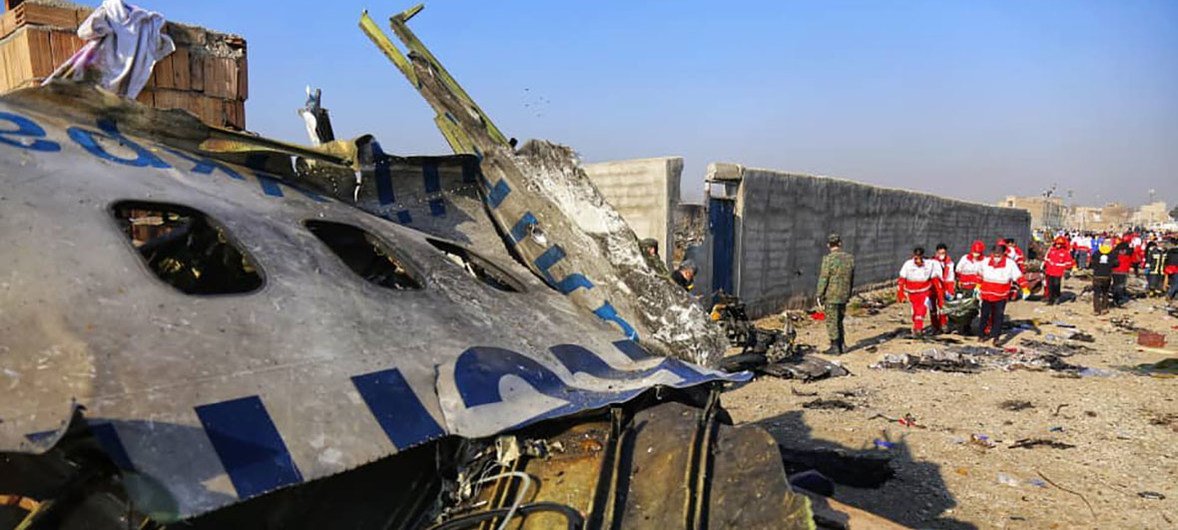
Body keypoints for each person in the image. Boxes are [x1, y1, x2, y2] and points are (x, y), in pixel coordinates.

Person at [978, 244, 1027, 344]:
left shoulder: (1010, 264)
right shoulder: (985, 262)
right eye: (994, 255)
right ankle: (981, 335)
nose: (996, 257)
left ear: (1003, 254)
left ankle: (996, 337)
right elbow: (980, 274)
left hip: (1001, 295)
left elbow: (1018, 276)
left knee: (998, 316)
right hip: (986, 294)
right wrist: (977, 286)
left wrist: (1025, 288)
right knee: (984, 315)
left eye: (998, 255)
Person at [815, 233, 855, 354]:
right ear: (840, 243)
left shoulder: (828, 259)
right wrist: (849, 292)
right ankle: (842, 344)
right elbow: (851, 277)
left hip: (831, 295)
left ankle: (834, 346)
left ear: (828, 245)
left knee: (832, 320)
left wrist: (819, 294)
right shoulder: (849, 258)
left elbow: (824, 278)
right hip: (844, 294)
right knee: (840, 320)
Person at [898, 247, 941, 337]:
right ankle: (916, 325)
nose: (918, 260)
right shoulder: (908, 264)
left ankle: (918, 328)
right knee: (915, 310)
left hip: (925, 290)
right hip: (912, 291)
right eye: (916, 258)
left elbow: (934, 279)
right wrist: (900, 292)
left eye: (919, 257)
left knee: (922, 309)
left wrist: (939, 293)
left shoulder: (929, 264)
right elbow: (902, 278)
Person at [1042, 235, 1075, 305]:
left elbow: (1069, 262)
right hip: (1050, 271)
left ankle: (1057, 297)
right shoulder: (1051, 250)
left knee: (1056, 285)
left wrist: (1067, 270)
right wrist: (1044, 266)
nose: (1058, 245)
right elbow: (1047, 259)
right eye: (1057, 244)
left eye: (1060, 244)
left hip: (1058, 272)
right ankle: (1050, 300)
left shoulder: (1065, 253)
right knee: (1050, 286)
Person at [931, 243, 955, 330]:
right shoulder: (931, 262)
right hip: (933, 286)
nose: (942, 255)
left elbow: (950, 276)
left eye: (943, 253)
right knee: (932, 307)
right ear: (936, 252)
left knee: (942, 304)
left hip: (944, 285)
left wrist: (950, 289)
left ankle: (943, 323)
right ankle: (935, 325)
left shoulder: (949, 263)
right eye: (940, 253)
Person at [1090, 242, 1114, 315]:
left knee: (1096, 293)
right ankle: (1104, 308)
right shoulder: (1112, 254)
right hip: (1106, 275)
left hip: (1097, 275)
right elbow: (1116, 263)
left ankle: (1096, 310)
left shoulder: (1096, 253)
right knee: (1105, 292)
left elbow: (1091, 263)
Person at [1111, 236, 1134, 306]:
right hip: (1124, 271)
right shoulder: (1129, 253)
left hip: (1115, 270)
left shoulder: (1115, 253)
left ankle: (1115, 298)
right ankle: (1118, 299)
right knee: (1121, 285)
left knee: (1115, 284)